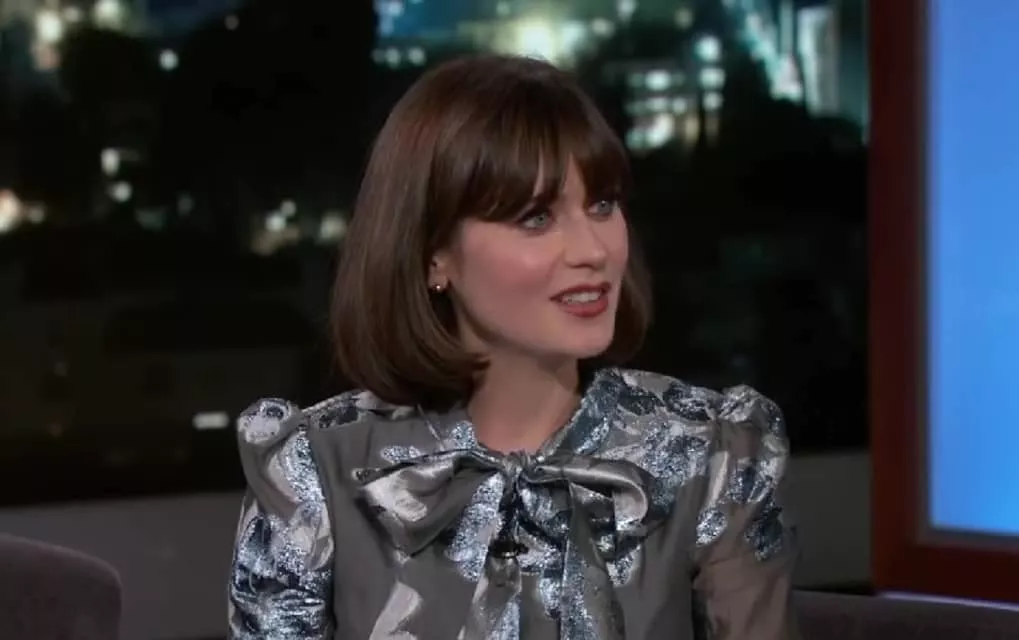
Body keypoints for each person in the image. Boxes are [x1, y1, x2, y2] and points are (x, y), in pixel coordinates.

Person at [227, 54, 799, 639]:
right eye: (536, 218)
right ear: (433, 255)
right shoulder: (316, 471)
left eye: (602, 204)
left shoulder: (714, 453)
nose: (593, 250)